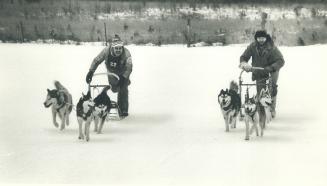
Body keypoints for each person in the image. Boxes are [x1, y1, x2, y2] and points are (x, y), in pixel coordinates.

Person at [239, 30, 285, 121]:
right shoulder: (252, 47)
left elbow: (281, 60)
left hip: (272, 70)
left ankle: (272, 108)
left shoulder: (271, 47)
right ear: (256, 38)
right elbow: (243, 57)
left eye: (263, 38)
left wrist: (271, 67)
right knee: (261, 91)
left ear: (266, 38)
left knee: (272, 88)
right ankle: (261, 111)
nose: (261, 40)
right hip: (259, 70)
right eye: (259, 38)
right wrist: (244, 64)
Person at [86, 35, 133, 118]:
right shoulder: (106, 51)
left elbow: (129, 67)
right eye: (116, 48)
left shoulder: (126, 53)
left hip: (123, 72)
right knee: (115, 89)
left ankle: (123, 110)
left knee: (123, 88)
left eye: (120, 48)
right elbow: (97, 60)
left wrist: (124, 77)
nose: (118, 50)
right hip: (111, 72)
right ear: (112, 48)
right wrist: (91, 71)